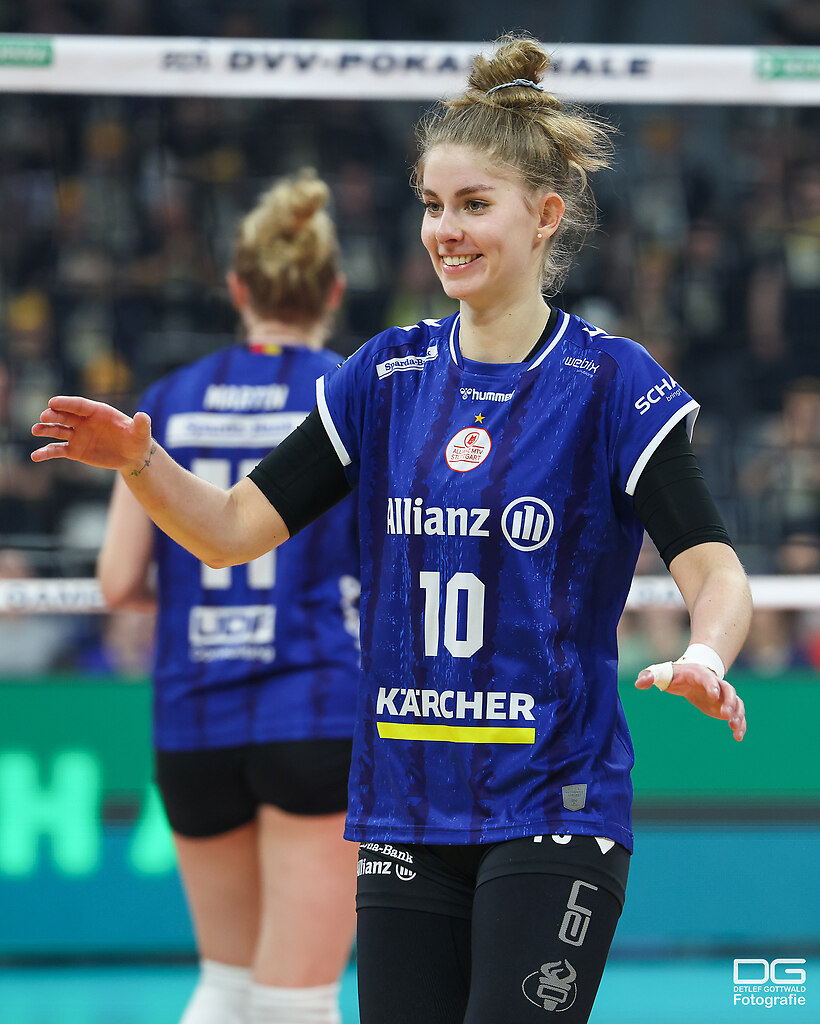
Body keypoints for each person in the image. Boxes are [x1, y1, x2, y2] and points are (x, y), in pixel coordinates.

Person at [32, 34, 751, 1024]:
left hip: (553, 801)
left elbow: (714, 568)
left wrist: (707, 654)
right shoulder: (384, 375)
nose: (445, 230)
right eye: (432, 204)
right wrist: (139, 464)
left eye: (473, 204)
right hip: (403, 809)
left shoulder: (609, 382)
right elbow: (232, 530)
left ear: (545, 216)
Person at [94, 169, 361, 1024]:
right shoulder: (353, 390)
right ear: (333, 291)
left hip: (195, 711)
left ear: (238, 289)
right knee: (296, 1000)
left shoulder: (167, 402)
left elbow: (116, 582)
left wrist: (194, 593)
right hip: (313, 703)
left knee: (227, 985)